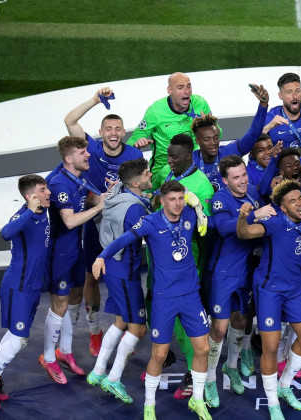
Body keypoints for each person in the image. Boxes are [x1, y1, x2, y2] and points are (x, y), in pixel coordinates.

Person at [93, 180, 212, 420]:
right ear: (162, 201)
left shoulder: (190, 214)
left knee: (203, 348)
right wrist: (101, 257)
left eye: (180, 198)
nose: (177, 204)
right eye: (172, 199)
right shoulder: (151, 222)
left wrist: (199, 207)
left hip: (190, 295)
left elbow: (210, 220)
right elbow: (122, 240)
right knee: (158, 354)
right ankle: (150, 406)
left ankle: (197, 400)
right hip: (164, 298)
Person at [64, 86, 143, 357]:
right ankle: (95, 330)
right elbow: (70, 121)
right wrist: (96, 101)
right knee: (91, 276)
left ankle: (121, 331)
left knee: (123, 277)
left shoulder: (134, 155)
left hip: (121, 226)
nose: (112, 133)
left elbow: (140, 187)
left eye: (117, 129)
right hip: (94, 222)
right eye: (108, 128)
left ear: (123, 132)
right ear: (101, 132)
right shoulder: (91, 149)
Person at [236, 180, 301, 420]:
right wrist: (245, 216)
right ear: (283, 208)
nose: (299, 203)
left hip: (295, 289)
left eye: (300, 198)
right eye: (292, 201)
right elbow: (244, 233)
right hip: (270, 290)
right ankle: (273, 402)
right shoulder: (274, 223)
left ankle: (284, 385)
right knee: (271, 347)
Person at [204, 155, 277, 408]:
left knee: (242, 321)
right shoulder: (220, 199)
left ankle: (231, 366)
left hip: (247, 271)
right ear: (225, 180)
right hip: (223, 274)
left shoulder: (253, 192)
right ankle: (210, 379)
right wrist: (256, 214)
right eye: (236, 177)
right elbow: (225, 228)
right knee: (220, 329)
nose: (243, 180)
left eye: (244, 174)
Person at [151, 133, 214, 399]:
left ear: (189, 156)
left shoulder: (202, 186)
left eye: (174, 157)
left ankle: (193, 372)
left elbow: (206, 232)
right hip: (160, 263)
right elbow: (157, 202)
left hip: (188, 268)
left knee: (189, 327)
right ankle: (186, 364)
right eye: (167, 156)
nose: (168, 161)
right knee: (173, 324)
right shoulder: (169, 172)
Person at [0, 175, 51, 411]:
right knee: (19, 339)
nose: (48, 192)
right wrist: (29, 211)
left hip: (32, 287)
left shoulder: (44, 212)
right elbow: (6, 233)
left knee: (16, 337)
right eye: (43, 190)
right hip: (18, 286)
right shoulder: (24, 216)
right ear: (30, 196)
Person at [85, 158, 153, 404]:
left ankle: (99, 370)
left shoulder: (117, 192)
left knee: (121, 321)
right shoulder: (134, 209)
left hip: (114, 268)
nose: (150, 175)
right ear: (136, 182)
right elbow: (139, 232)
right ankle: (113, 378)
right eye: (147, 174)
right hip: (125, 271)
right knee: (139, 328)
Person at [41, 136, 104, 384]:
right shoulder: (58, 184)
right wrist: (100, 208)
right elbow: (68, 220)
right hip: (60, 255)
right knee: (60, 306)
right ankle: (48, 357)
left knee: (74, 300)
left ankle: (64, 352)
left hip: (75, 251)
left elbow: (87, 198)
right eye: (82, 152)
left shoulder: (77, 178)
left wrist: (105, 196)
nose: (88, 155)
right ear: (69, 159)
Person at [127, 72, 212, 176]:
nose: (186, 91)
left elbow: (218, 133)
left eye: (188, 86)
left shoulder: (200, 103)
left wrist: (207, 128)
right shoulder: (155, 111)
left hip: (195, 165)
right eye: (180, 88)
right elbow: (130, 143)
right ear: (170, 90)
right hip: (164, 170)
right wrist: (137, 143)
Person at [191, 84, 269, 191]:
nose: (213, 142)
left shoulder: (228, 153)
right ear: (198, 141)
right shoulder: (190, 161)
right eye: (207, 139)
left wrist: (263, 105)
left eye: (216, 137)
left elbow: (253, 134)